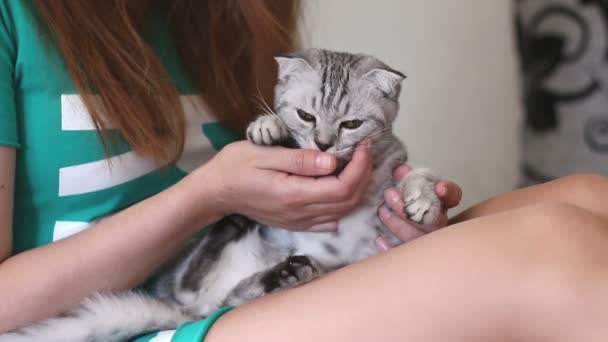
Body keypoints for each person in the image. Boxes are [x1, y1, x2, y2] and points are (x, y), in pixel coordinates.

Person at [0, 1, 607, 341]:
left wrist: (386, 224)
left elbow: (280, 169)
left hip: (260, 270)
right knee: (555, 248)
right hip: (117, 325)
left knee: (589, 197)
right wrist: (204, 197)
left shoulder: (221, 12)